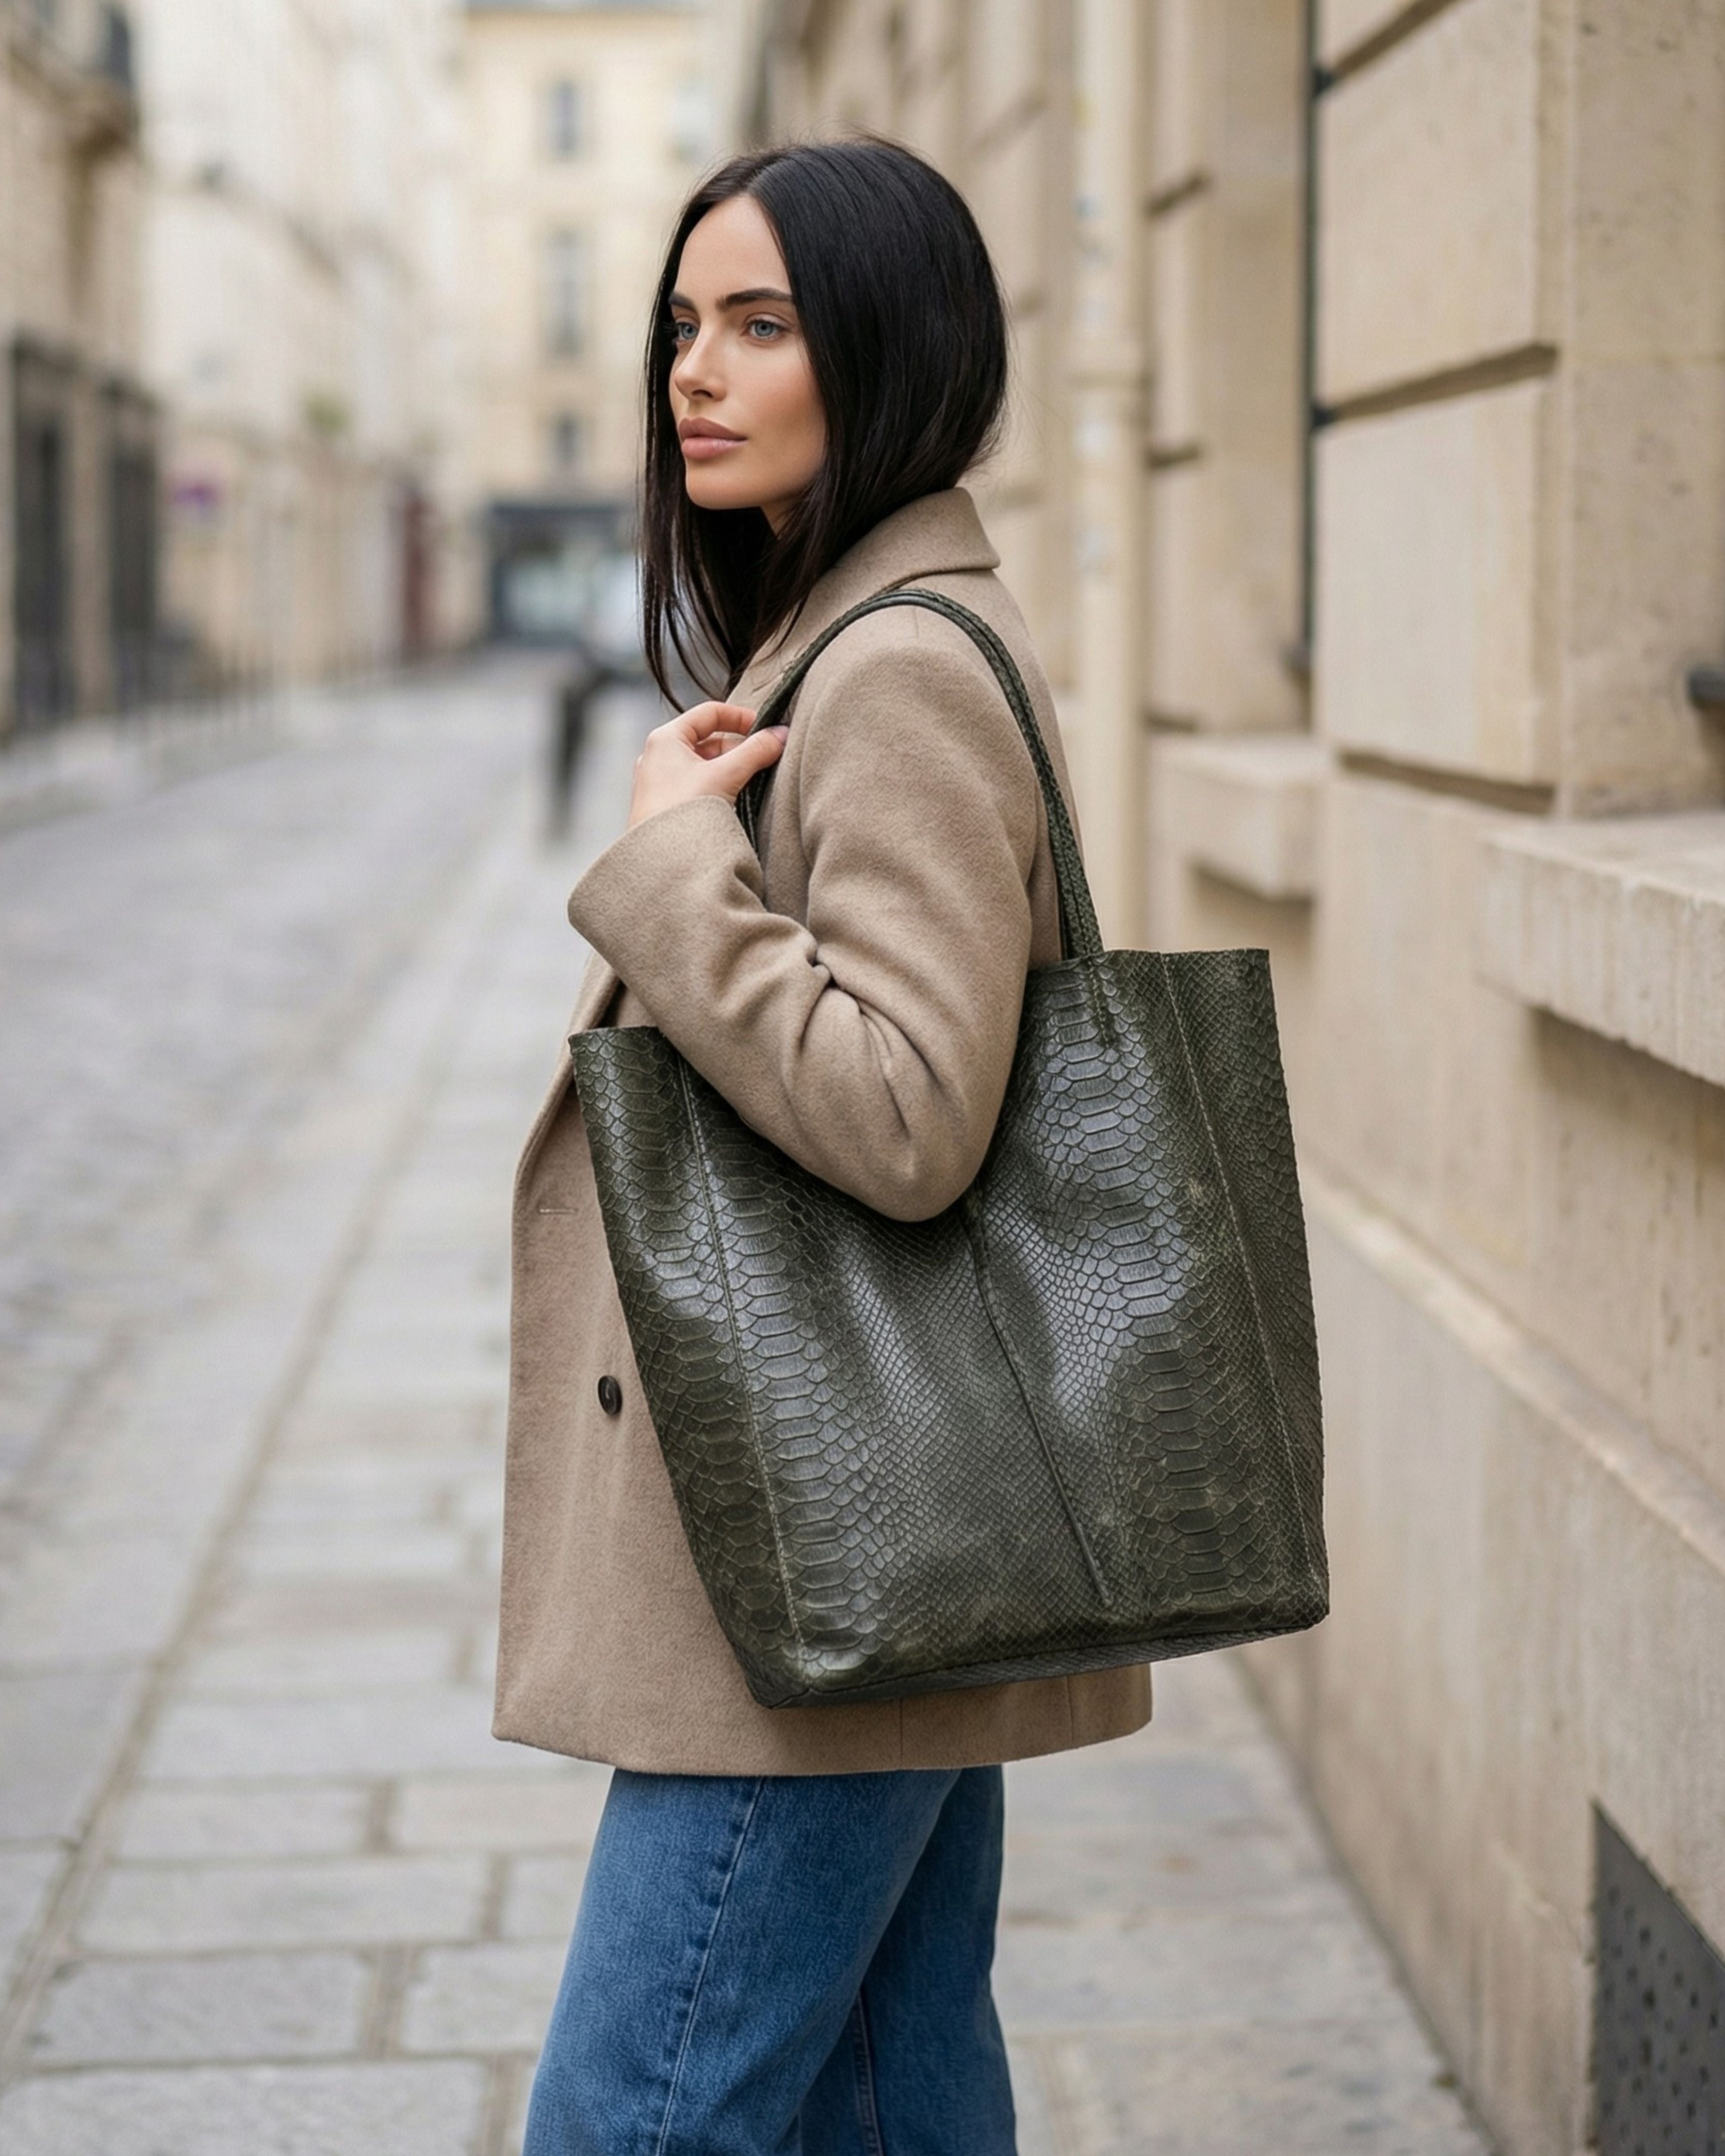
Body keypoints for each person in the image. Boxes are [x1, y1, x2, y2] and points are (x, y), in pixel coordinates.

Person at [497, 138, 1151, 2154]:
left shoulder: (893, 674)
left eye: (762, 325)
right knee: (891, 2099)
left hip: (812, 1565)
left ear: (891, 348)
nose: (696, 370)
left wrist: (669, 866)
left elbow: (908, 1115)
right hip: (857, 1549)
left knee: (635, 2116)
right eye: (684, 325)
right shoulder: (843, 643)